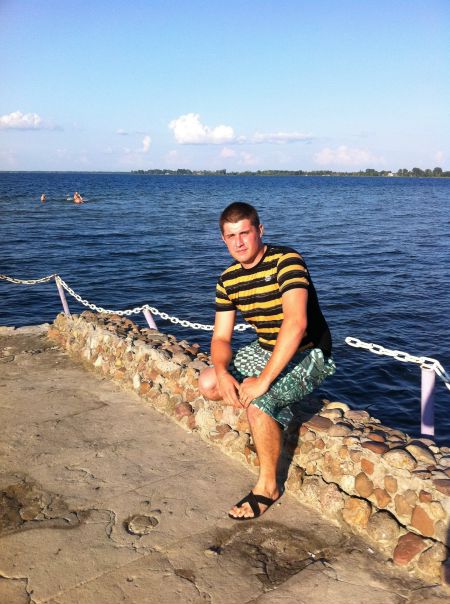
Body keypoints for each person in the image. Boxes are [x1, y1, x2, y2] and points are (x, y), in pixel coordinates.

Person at [198, 202, 336, 520]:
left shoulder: (286, 261)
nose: (239, 243)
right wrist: (222, 371)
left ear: (260, 231)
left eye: (245, 233)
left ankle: (268, 487)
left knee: (258, 404)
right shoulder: (228, 280)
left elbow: (296, 323)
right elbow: (220, 338)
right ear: (223, 239)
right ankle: (278, 411)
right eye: (231, 236)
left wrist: (263, 382)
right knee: (208, 382)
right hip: (265, 347)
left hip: (309, 351)